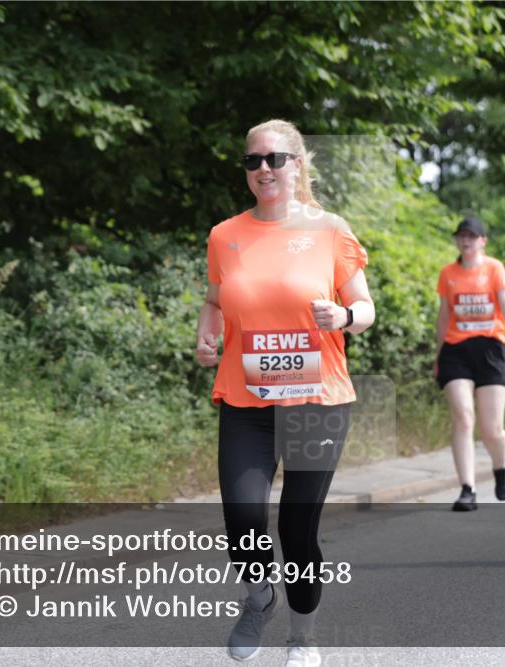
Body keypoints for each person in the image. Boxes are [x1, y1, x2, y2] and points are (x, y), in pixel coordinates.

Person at [196, 119, 375, 666]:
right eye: (253, 160)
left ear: (297, 164)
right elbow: (215, 300)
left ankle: (303, 639)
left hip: (316, 402)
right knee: (242, 521)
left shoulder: (330, 230)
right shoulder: (225, 235)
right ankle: (259, 599)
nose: (264, 169)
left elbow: (365, 307)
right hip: (246, 402)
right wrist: (206, 334)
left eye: (275, 158)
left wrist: (344, 316)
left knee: (298, 530)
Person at [434, 216, 505, 511]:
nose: (466, 241)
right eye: (461, 236)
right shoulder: (448, 273)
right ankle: (467, 489)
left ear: (482, 241)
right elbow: (444, 316)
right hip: (456, 350)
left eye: (472, 236)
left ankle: (501, 465)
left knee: (492, 429)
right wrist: (437, 355)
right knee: (463, 416)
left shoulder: (494, 268)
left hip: (491, 350)